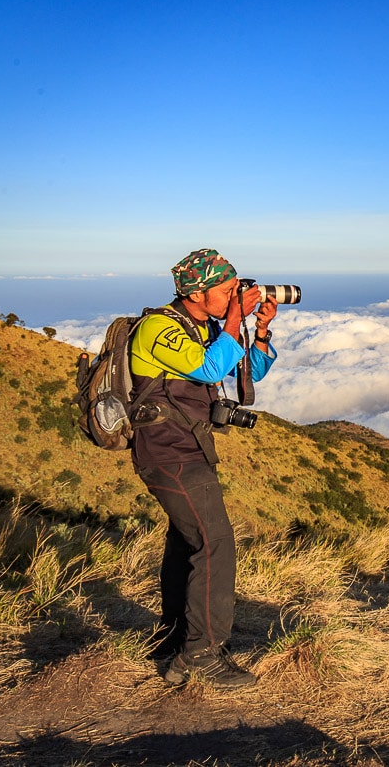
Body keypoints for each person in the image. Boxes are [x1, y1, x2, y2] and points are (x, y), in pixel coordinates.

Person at [129, 247, 278, 689]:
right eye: (227, 289)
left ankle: (174, 639)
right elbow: (211, 366)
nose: (236, 295)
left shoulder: (204, 326)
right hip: (167, 453)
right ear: (195, 293)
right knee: (215, 545)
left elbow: (249, 373)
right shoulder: (158, 328)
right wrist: (234, 317)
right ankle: (202, 653)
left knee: (187, 542)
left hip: (189, 450)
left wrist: (260, 330)